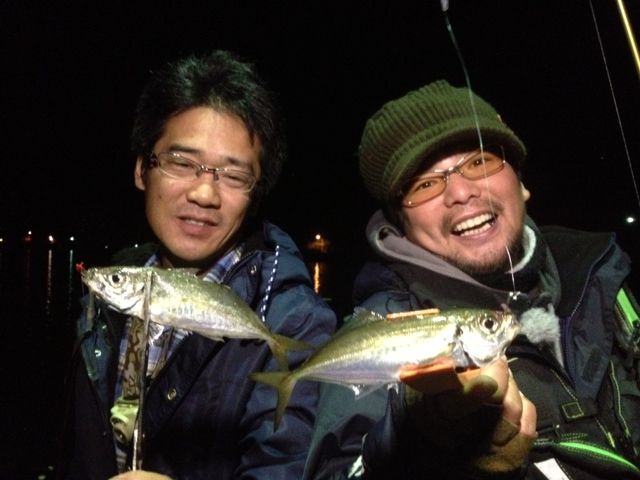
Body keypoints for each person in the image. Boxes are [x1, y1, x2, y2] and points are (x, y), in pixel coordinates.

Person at [303, 80, 640, 479]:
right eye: (425, 184)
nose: (461, 193)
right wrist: (426, 454)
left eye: (480, 161)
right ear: (400, 224)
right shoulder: (377, 326)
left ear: (521, 179)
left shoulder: (600, 270)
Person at [58, 50, 336, 479]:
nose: (205, 193)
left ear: (256, 194)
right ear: (142, 169)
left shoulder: (295, 321)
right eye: (181, 162)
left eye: (234, 175)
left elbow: (283, 463)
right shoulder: (111, 296)